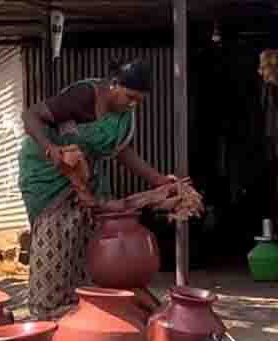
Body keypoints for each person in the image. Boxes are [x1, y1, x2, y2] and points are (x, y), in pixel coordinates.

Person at [19, 58, 174, 320]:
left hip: (86, 175)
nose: (133, 105)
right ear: (114, 84)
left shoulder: (123, 115)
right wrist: (52, 149)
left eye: (139, 100)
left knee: (91, 237)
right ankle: (51, 310)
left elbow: (121, 151)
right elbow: (30, 115)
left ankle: (89, 307)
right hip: (47, 173)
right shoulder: (84, 96)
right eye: (130, 97)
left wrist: (158, 180)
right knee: (57, 235)